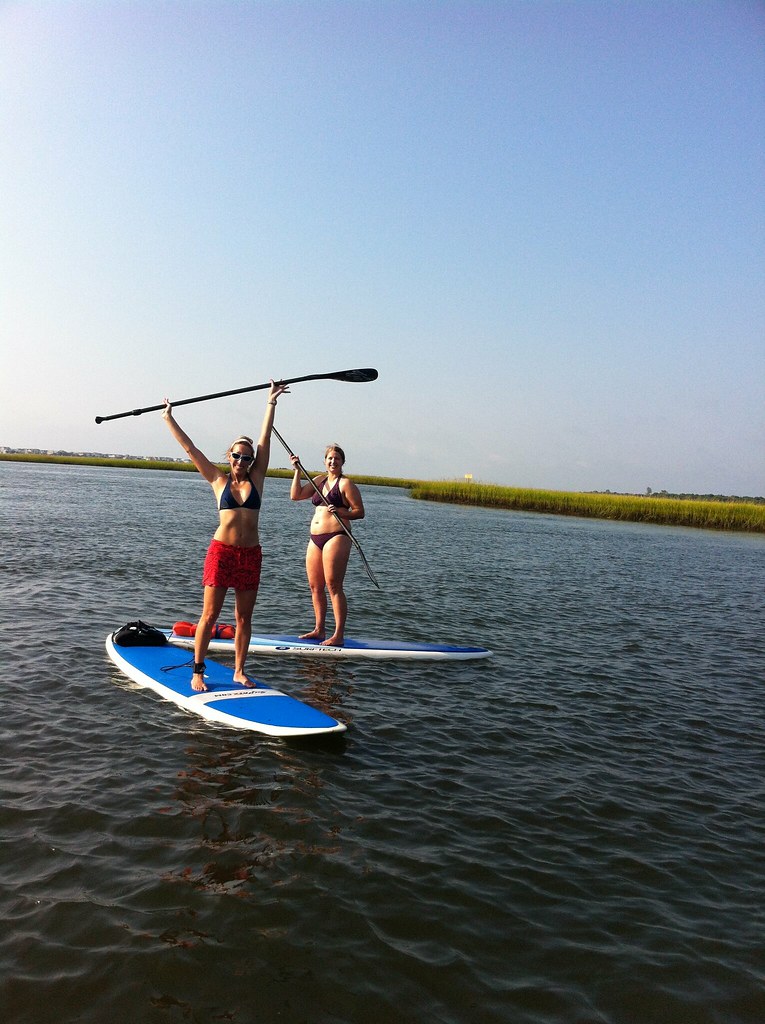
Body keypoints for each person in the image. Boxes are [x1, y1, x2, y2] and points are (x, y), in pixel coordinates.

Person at [162, 380, 290, 691]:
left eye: (247, 458)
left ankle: (239, 670)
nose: (242, 462)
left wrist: (270, 403)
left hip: (250, 555)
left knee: (243, 619)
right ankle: (198, 670)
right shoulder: (218, 481)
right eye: (237, 456)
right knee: (208, 615)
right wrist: (169, 418)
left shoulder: (258, 478)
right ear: (229, 456)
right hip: (222, 553)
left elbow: (264, 440)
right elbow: (190, 449)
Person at [289, 444, 365, 646]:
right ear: (325, 461)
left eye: (337, 459)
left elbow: (359, 511)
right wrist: (297, 471)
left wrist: (342, 512)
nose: (333, 462)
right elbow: (295, 495)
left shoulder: (346, 484)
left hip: (337, 536)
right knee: (315, 586)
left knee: (333, 586)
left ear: (342, 462)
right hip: (315, 539)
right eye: (330, 458)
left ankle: (338, 634)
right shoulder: (318, 481)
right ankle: (319, 629)